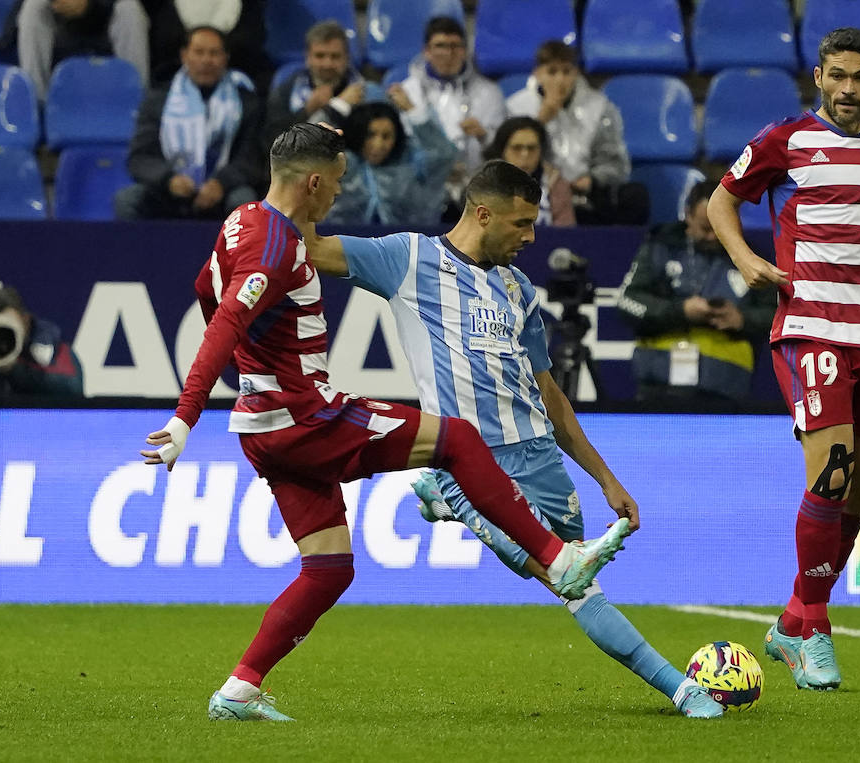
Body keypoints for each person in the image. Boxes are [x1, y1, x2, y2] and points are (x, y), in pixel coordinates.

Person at [140, 123, 631, 722]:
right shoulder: (275, 245)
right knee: (455, 439)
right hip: (305, 416)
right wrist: (186, 417)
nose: (341, 194)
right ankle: (559, 559)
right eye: (339, 183)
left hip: (262, 427)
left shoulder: (241, 220)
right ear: (314, 182)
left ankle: (238, 689)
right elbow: (223, 326)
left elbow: (206, 291)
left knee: (328, 569)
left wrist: (253, 367)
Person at [309, 159, 724, 719]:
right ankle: (680, 688)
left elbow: (550, 394)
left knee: (576, 576)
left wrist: (606, 478)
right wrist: (302, 182)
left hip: (537, 453)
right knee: (568, 576)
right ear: (483, 214)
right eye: (521, 224)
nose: (531, 237)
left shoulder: (518, 289)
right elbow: (311, 249)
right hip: (469, 457)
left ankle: (445, 500)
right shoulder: (408, 259)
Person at [706, 28, 860, 691]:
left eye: (859, 77)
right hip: (811, 327)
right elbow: (720, 200)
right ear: (817, 76)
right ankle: (816, 629)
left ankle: (788, 621)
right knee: (832, 474)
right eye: (836, 75)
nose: (847, 89)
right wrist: (749, 261)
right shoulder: (786, 140)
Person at [617, 182, 775, 405]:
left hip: (726, 387)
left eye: (720, 227)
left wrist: (742, 319)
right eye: (705, 228)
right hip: (657, 385)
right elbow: (627, 302)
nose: (713, 236)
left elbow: (778, 316)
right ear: (688, 215)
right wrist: (680, 311)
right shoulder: (659, 247)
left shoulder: (753, 258)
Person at [115, 26, 264, 220]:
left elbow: (251, 160)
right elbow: (140, 158)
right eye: (199, 52)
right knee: (127, 200)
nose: (206, 60)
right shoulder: (158, 100)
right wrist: (169, 179)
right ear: (184, 55)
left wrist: (221, 183)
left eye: (214, 53)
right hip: (169, 190)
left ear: (226, 58)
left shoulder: (246, 102)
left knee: (245, 201)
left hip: (223, 191)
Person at [504, 40, 645, 225]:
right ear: (537, 73)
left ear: (576, 73)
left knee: (636, 195)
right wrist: (540, 122)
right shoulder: (517, 107)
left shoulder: (600, 107)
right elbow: (509, 158)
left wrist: (592, 180)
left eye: (567, 71)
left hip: (586, 196)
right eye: (552, 72)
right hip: (534, 192)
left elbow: (615, 163)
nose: (560, 80)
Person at [397, 16, 506, 204]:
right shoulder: (407, 93)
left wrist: (484, 135)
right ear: (427, 51)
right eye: (440, 46)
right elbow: (402, 145)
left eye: (455, 46)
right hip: (422, 188)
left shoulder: (489, 93)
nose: (448, 53)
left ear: (465, 51)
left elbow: (506, 146)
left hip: (477, 189)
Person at [323, 97, 458, 225]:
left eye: (386, 136)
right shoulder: (339, 164)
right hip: (341, 244)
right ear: (357, 133)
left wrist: (414, 112)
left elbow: (445, 154)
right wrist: (335, 108)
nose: (378, 144)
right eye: (370, 135)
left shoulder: (411, 167)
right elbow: (305, 147)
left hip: (404, 246)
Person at [262, 20, 385, 147]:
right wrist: (307, 111)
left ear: (347, 58)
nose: (327, 64)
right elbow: (272, 144)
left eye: (335, 56)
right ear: (308, 57)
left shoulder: (368, 94)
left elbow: (374, 145)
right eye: (320, 56)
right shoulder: (286, 91)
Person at [15, 0, 150, 99]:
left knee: (130, 9)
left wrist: (90, 5)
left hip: (107, 19)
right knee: (33, 7)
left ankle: (137, 101)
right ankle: (36, 103)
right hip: (61, 23)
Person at [143, 0, 272, 88]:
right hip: (170, 87)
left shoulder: (250, 7)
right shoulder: (162, 7)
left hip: (241, 88)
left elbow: (251, 45)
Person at [484, 116, 574, 226]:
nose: (525, 154)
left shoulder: (556, 185)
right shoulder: (484, 185)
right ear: (502, 150)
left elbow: (566, 235)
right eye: (517, 148)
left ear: (541, 151)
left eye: (531, 148)